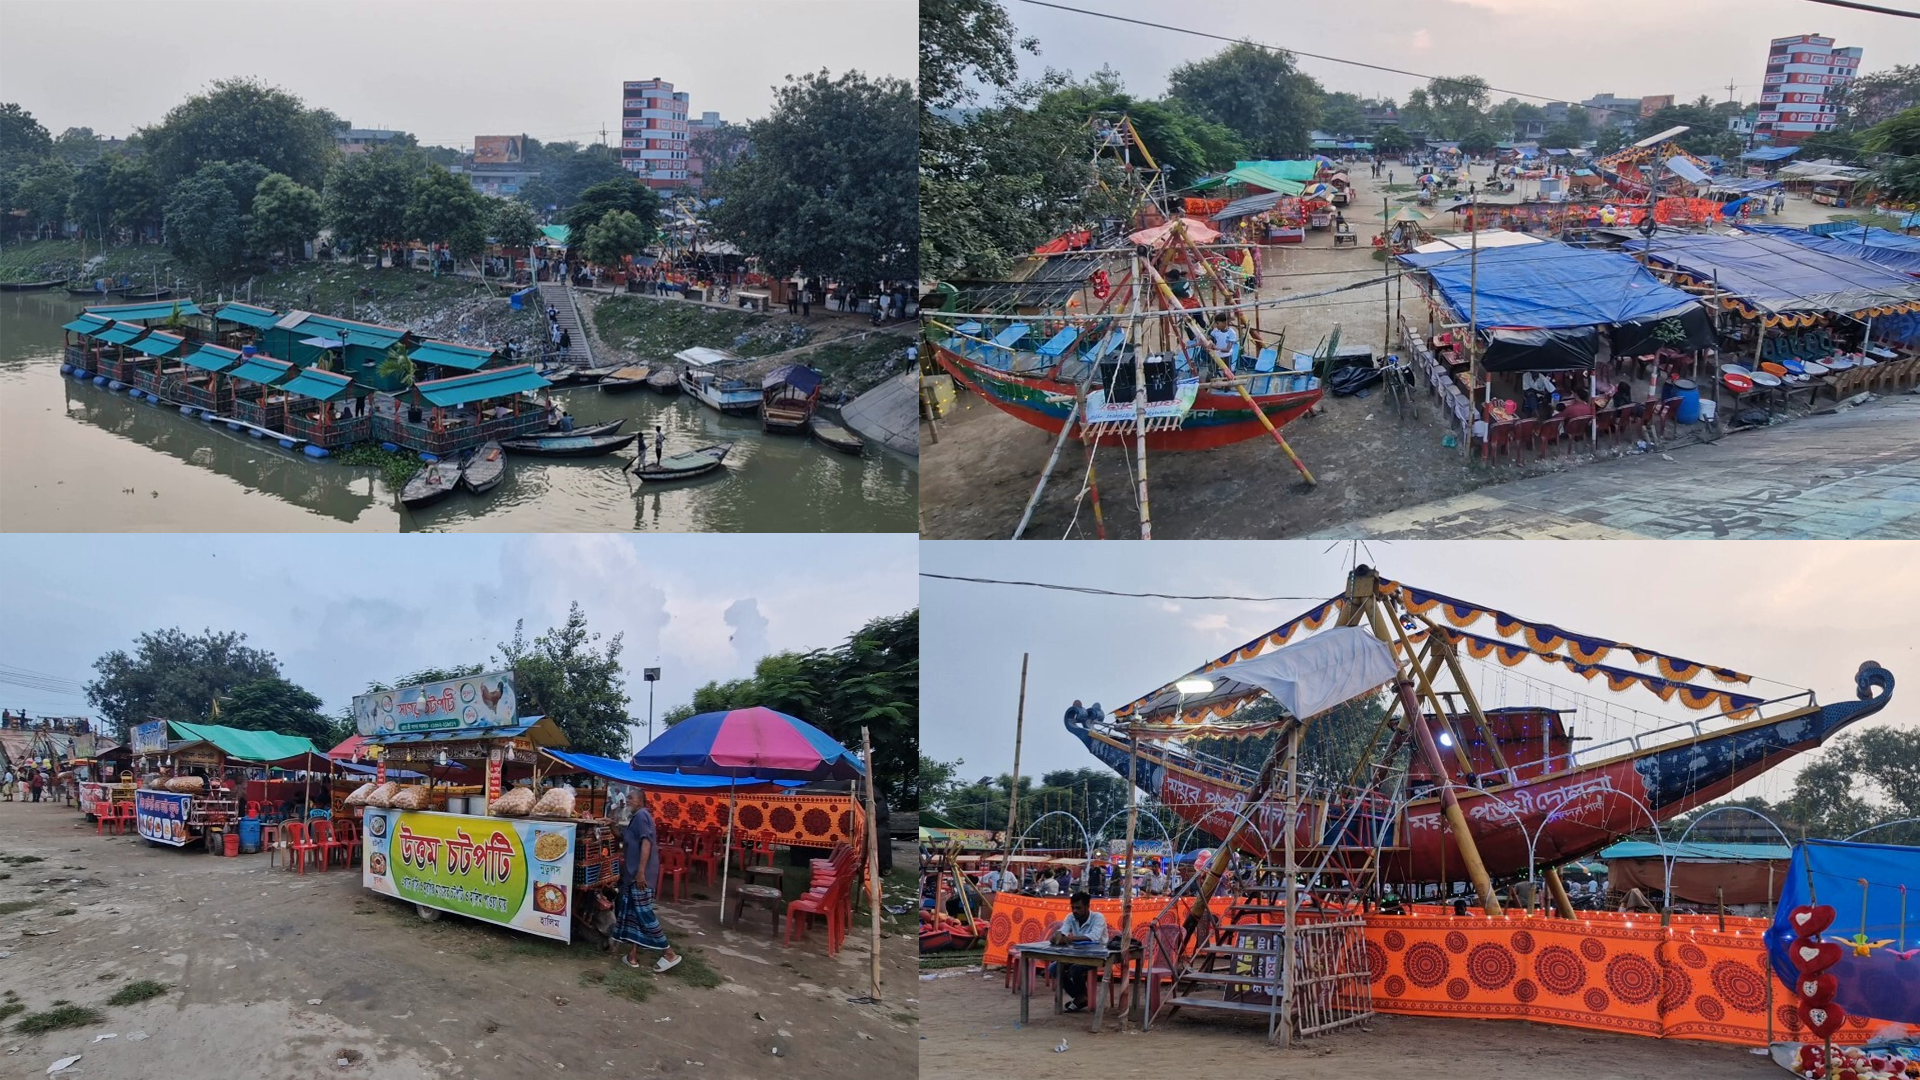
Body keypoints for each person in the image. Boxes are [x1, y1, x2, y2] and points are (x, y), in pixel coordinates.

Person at [612, 803, 683, 973]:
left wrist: (641, 872)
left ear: (641, 800)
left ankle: (669, 953)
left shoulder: (642, 815)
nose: (628, 800)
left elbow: (647, 843)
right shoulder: (635, 818)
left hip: (640, 877)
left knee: (645, 914)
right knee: (634, 915)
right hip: (633, 876)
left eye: (631, 797)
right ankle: (632, 956)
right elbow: (622, 838)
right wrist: (611, 823)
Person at [1048, 892, 1109, 1013]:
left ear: (1087, 906)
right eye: (1073, 908)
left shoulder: (1098, 917)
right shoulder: (1070, 917)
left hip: (1097, 956)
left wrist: (1071, 939)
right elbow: (1063, 931)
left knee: (1075, 969)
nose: (1075, 911)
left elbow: (1094, 936)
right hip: (1077, 955)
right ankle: (1080, 996)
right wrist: (1057, 937)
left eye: (1078, 908)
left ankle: (1081, 997)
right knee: (1054, 968)